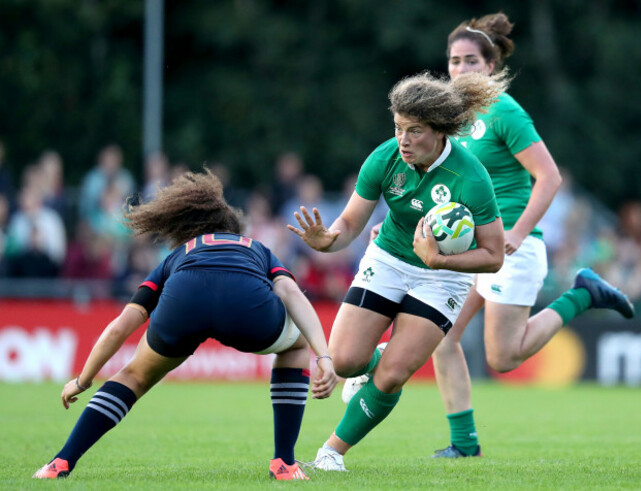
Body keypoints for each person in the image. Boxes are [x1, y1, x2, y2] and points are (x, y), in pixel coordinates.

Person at [32, 169, 338, 481]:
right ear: (235, 228)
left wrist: (82, 381)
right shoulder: (255, 247)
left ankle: (60, 463)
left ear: (188, 229)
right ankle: (284, 464)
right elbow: (290, 293)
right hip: (245, 304)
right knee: (296, 345)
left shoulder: (180, 253)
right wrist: (322, 354)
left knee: (134, 376)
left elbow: (120, 326)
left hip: (184, 299)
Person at [421, 13, 634, 458]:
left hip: (511, 247)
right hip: (474, 247)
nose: (460, 69)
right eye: (454, 61)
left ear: (492, 66)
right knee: (442, 336)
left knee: (502, 358)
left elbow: (549, 176)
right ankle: (464, 444)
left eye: (470, 61)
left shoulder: (504, 110)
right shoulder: (454, 118)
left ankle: (582, 294)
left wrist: (516, 231)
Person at [287, 70, 508, 471]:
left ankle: (331, 452)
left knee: (393, 375)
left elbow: (493, 255)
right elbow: (351, 223)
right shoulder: (385, 158)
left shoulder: (472, 177)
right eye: (398, 128)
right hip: (388, 257)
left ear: (441, 131)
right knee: (343, 363)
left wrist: (439, 259)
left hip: (444, 276)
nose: (403, 140)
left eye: (415, 131)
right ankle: (374, 359)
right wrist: (328, 240)